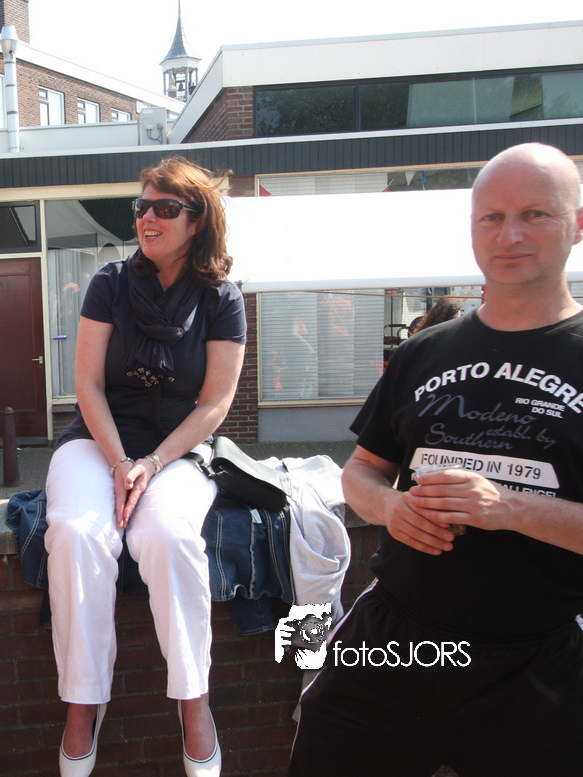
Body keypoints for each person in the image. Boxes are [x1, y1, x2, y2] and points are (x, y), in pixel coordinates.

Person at [288, 142, 583, 776]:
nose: (509, 234)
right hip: (394, 642)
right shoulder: (424, 351)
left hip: (537, 664)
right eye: (491, 217)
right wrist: (390, 507)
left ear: (577, 224)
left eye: (535, 214)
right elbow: (361, 471)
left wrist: (511, 508)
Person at [45, 156, 246, 777]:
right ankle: (83, 704)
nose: (147, 218)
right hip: (97, 441)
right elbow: (86, 383)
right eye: (142, 207)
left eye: (165, 208)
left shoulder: (221, 298)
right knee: (76, 535)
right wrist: (118, 462)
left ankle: (194, 703)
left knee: (169, 536)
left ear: (197, 220)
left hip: (176, 450)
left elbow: (215, 404)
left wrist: (153, 463)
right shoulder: (109, 284)